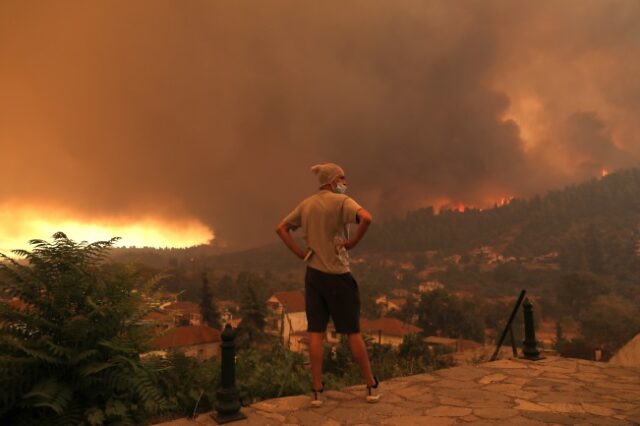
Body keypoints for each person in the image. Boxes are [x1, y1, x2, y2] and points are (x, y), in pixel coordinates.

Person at [275, 163, 379, 406]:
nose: (345, 182)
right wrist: (352, 242)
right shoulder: (342, 202)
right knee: (353, 332)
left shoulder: (307, 204)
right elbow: (366, 218)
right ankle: (371, 385)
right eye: (342, 178)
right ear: (332, 181)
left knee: (315, 333)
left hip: (313, 276)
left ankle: (317, 390)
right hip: (338, 276)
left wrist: (301, 253)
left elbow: (281, 228)